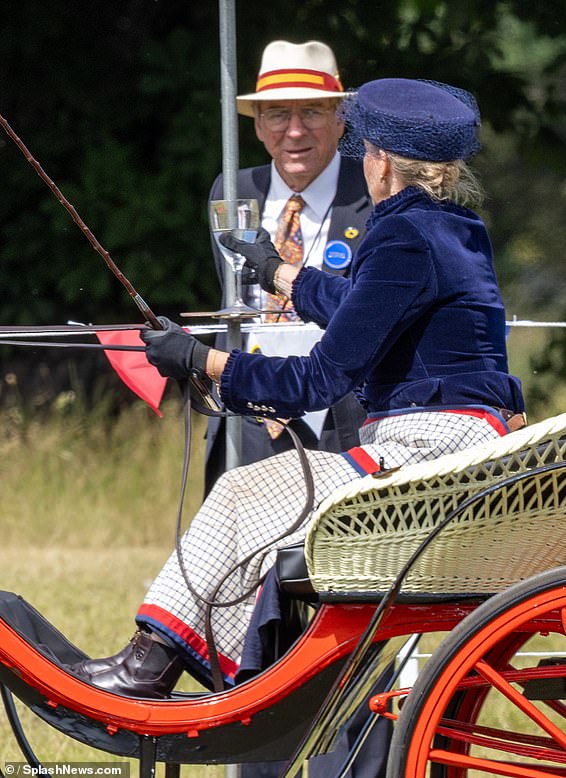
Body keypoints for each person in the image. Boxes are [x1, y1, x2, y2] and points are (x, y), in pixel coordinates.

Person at [71, 77, 525, 718]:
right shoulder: (454, 227)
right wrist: (276, 272)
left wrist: (200, 361)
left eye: (363, 152)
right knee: (254, 498)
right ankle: (161, 662)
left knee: (240, 491)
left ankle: (146, 666)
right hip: (463, 443)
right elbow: (364, 310)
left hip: (426, 452)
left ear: (382, 163)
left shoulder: (401, 236)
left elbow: (318, 378)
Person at [205, 39, 371, 493]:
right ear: (258, 125)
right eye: (278, 113)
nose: (295, 131)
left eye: (312, 112)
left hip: (345, 421)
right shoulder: (233, 189)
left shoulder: (373, 192)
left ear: (340, 120)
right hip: (249, 413)